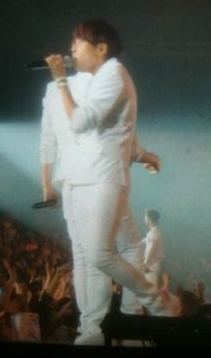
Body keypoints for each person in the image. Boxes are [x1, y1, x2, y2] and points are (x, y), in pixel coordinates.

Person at [44, 18, 166, 344]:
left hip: (102, 177)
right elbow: (114, 134)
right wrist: (147, 156)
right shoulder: (95, 78)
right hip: (80, 177)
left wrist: (60, 81)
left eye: (77, 43)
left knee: (103, 252)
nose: (71, 50)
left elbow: (84, 124)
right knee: (89, 256)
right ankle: (94, 327)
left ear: (101, 48)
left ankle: (142, 309)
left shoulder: (110, 74)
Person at [143, 209, 164, 288]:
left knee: (150, 288)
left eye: (145, 216)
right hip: (151, 265)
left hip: (151, 265)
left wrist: (145, 263)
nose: (144, 218)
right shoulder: (153, 232)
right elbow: (146, 240)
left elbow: (151, 249)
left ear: (149, 219)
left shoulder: (154, 233)